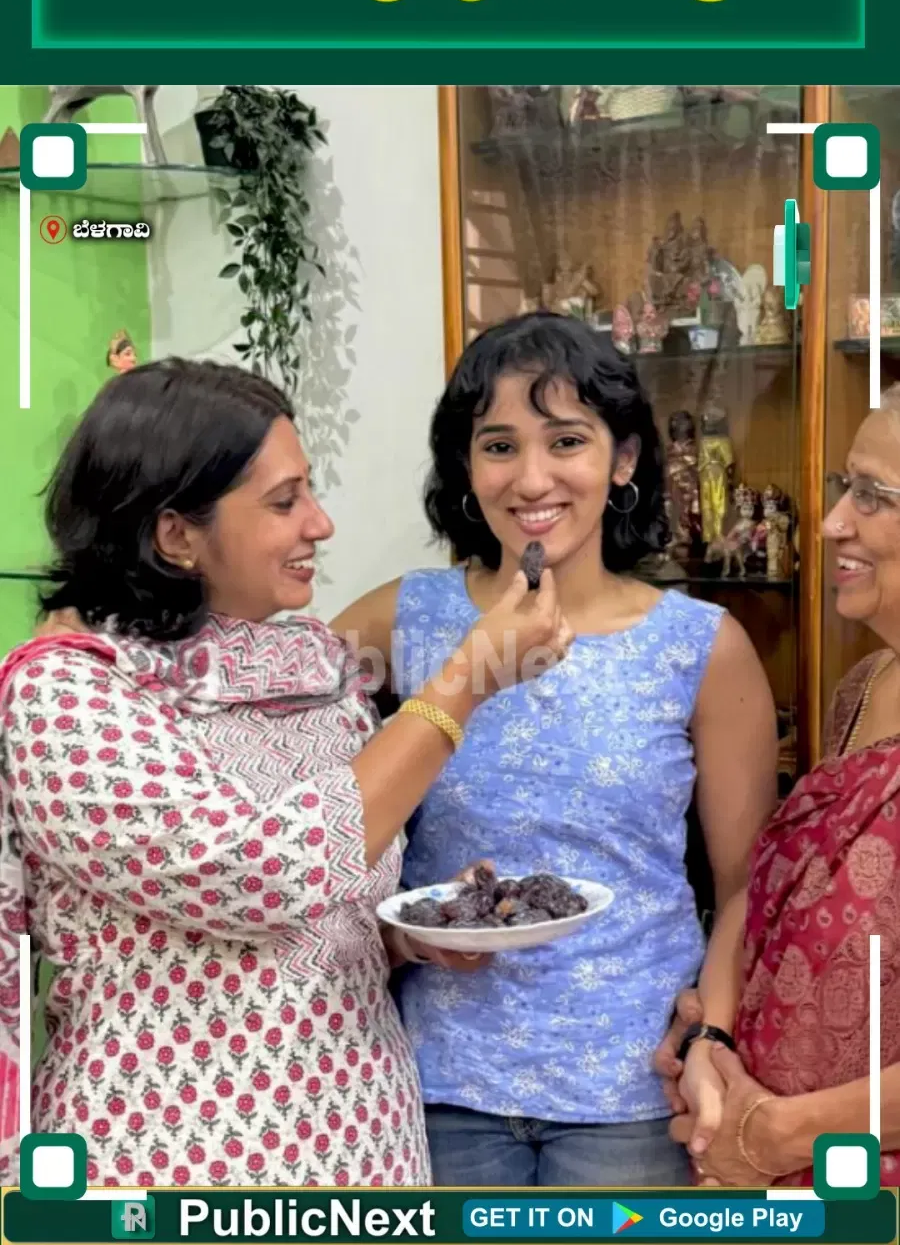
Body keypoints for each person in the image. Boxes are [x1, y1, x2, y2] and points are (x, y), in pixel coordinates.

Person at [0, 359, 571, 1189]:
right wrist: (464, 682)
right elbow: (258, 874)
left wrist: (414, 933)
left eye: (311, 492)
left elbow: (328, 910)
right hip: (173, 1165)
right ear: (176, 536)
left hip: (366, 1148)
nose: (321, 523)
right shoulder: (69, 693)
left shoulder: (315, 667)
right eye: (284, 502)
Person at [332, 312, 778, 1187]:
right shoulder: (402, 619)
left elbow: (743, 891)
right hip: (434, 1081)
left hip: (633, 1089)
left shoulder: (701, 646)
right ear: (467, 466)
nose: (532, 478)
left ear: (624, 459)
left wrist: (712, 1034)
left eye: (566, 440)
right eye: (499, 446)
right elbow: (292, 783)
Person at [655, 393, 900, 1188]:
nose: (831, 523)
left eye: (873, 496)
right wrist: (713, 1044)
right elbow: (773, 900)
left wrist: (776, 1135)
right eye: (844, 487)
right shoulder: (863, 689)